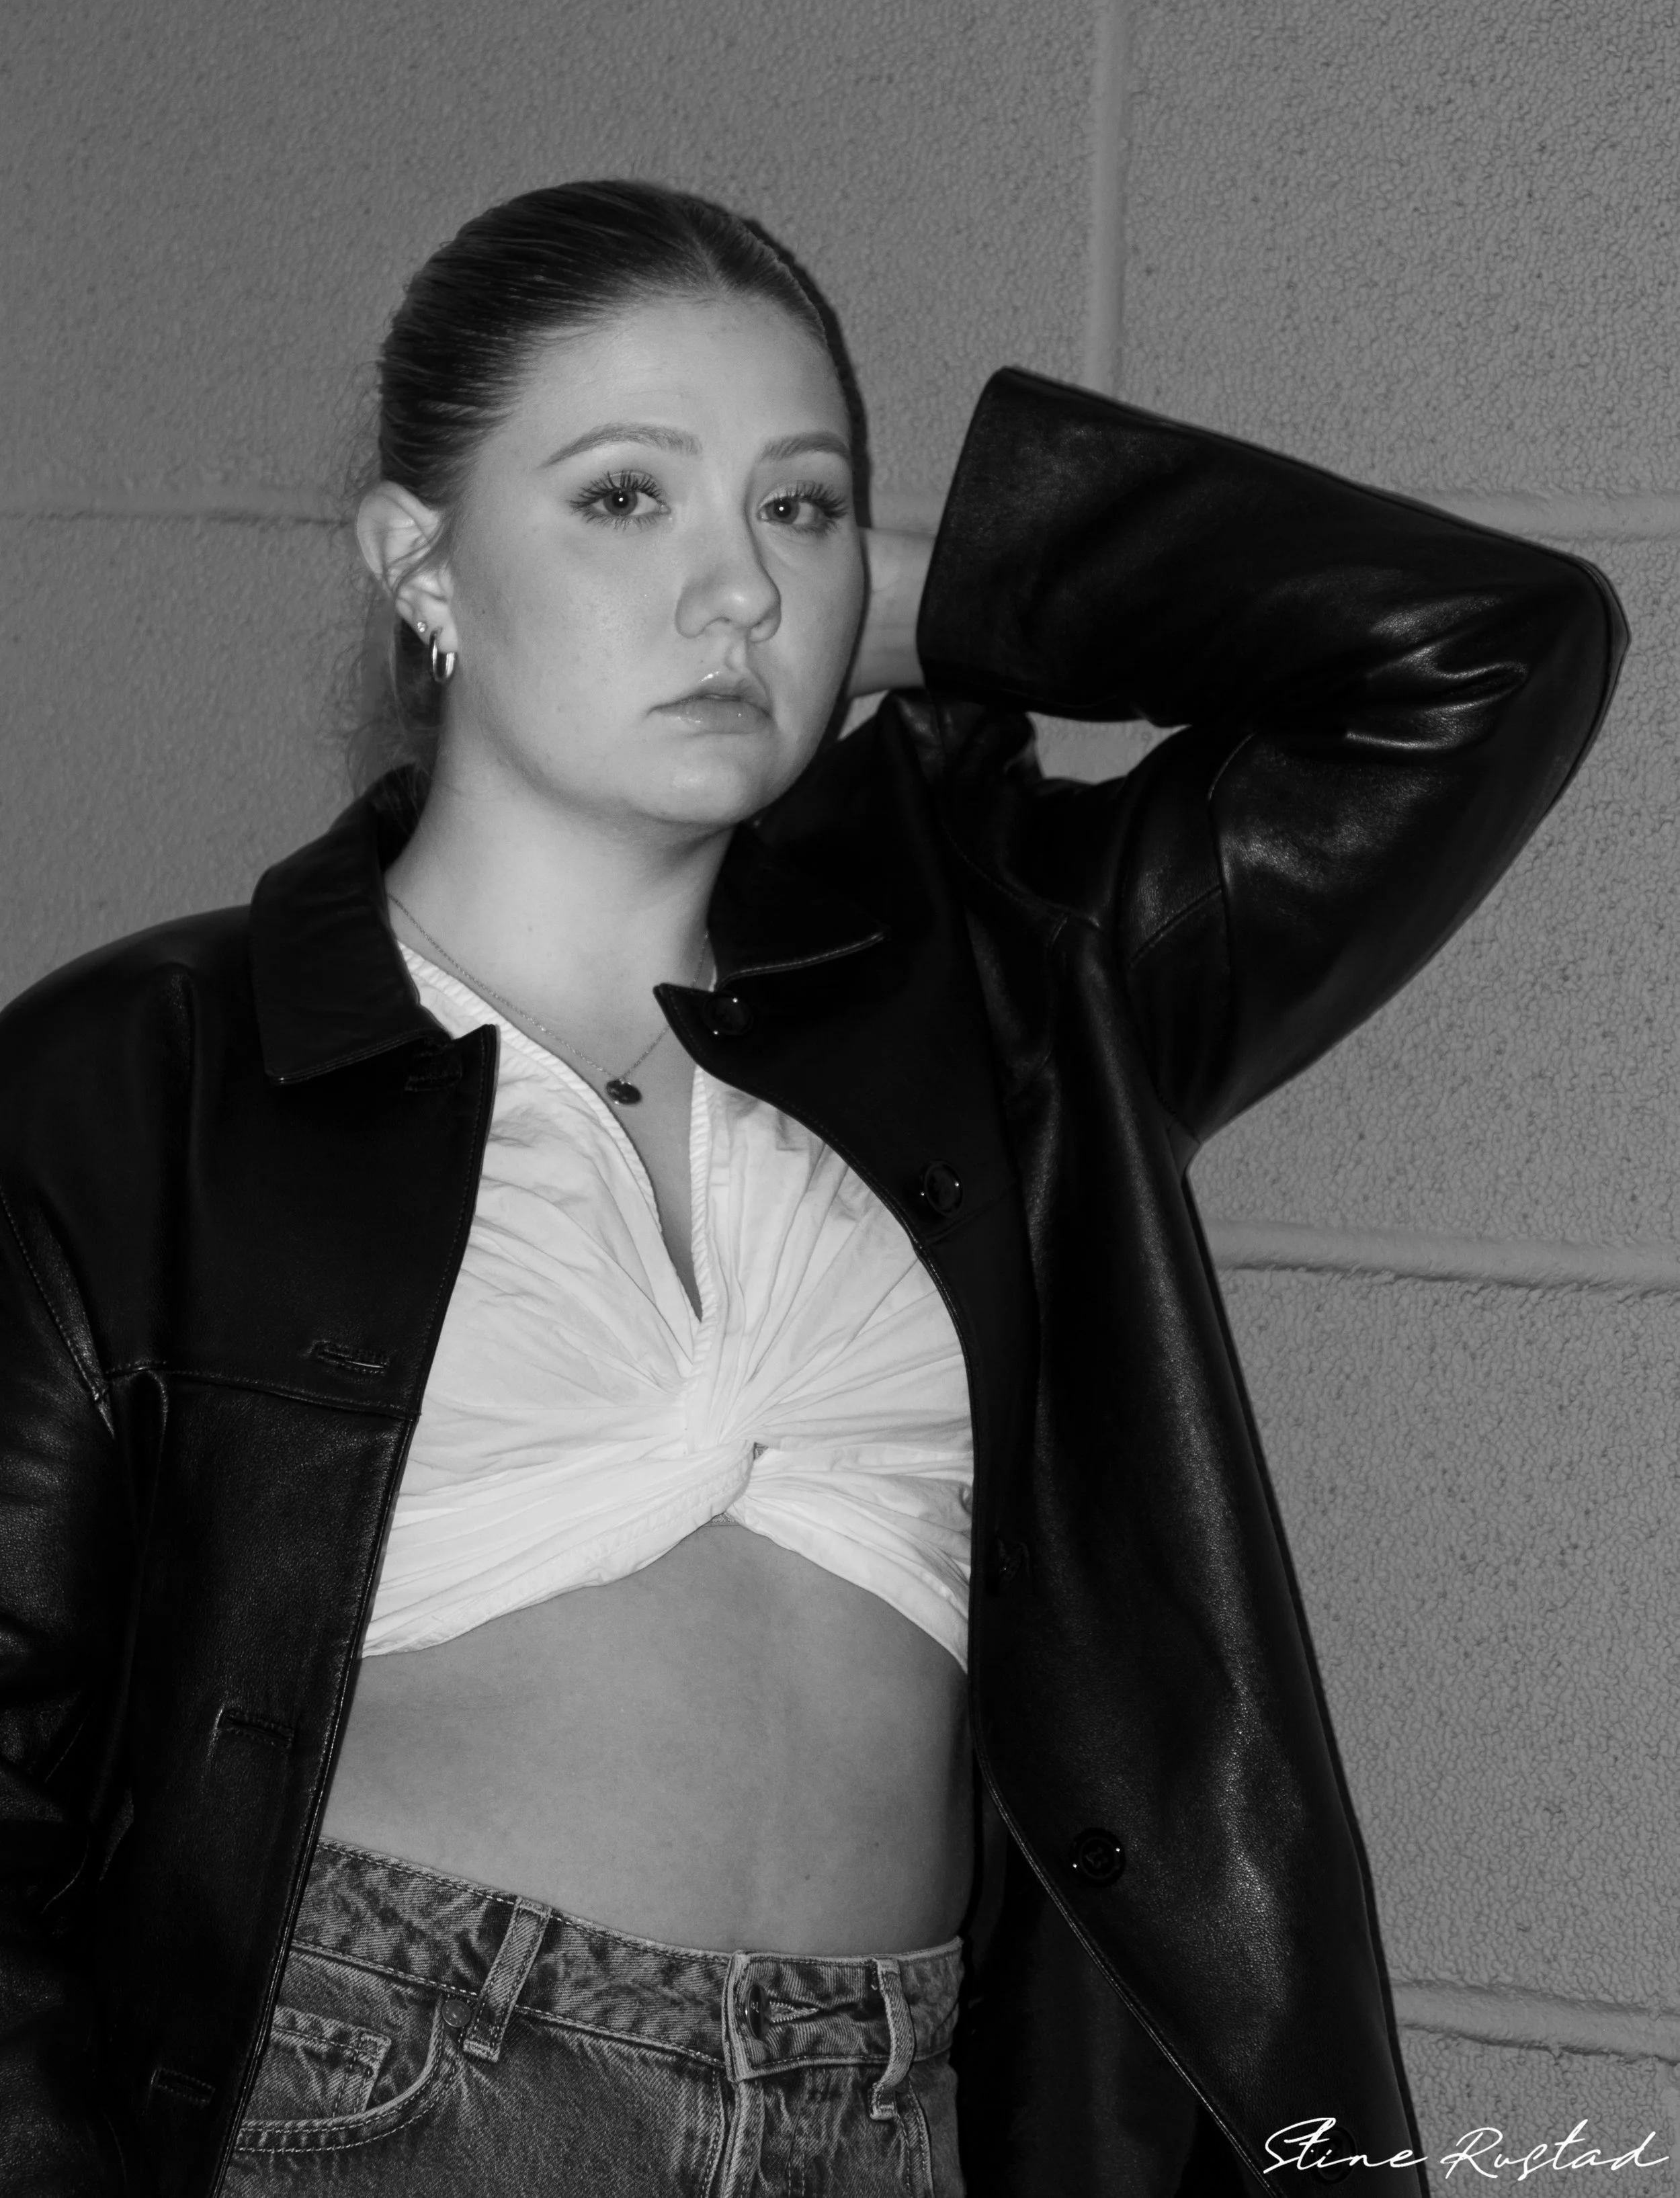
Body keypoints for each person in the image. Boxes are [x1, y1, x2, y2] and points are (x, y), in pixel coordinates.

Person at [0, 181, 1624, 2198]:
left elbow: (1490, 652)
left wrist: (911, 593)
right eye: (620, 498)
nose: (737, 591)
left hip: (904, 2112)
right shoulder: (143, 1075)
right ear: (420, 563)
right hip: (383, 2092)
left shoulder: (1021, 1000)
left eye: (795, 504)